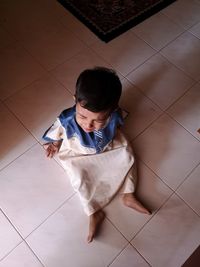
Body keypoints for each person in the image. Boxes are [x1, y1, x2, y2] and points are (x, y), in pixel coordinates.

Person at [43, 67, 150, 243]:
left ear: (111, 110)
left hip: (106, 144)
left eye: (98, 120)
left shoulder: (114, 115)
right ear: (75, 101)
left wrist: (113, 128)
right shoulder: (68, 118)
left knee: (128, 155)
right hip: (77, 150)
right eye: (83, 116)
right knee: (77, 176)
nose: (88, 125)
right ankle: (94, 211)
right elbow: (58, 130)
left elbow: (119, 121)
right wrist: (54, 144)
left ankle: (129, 194)